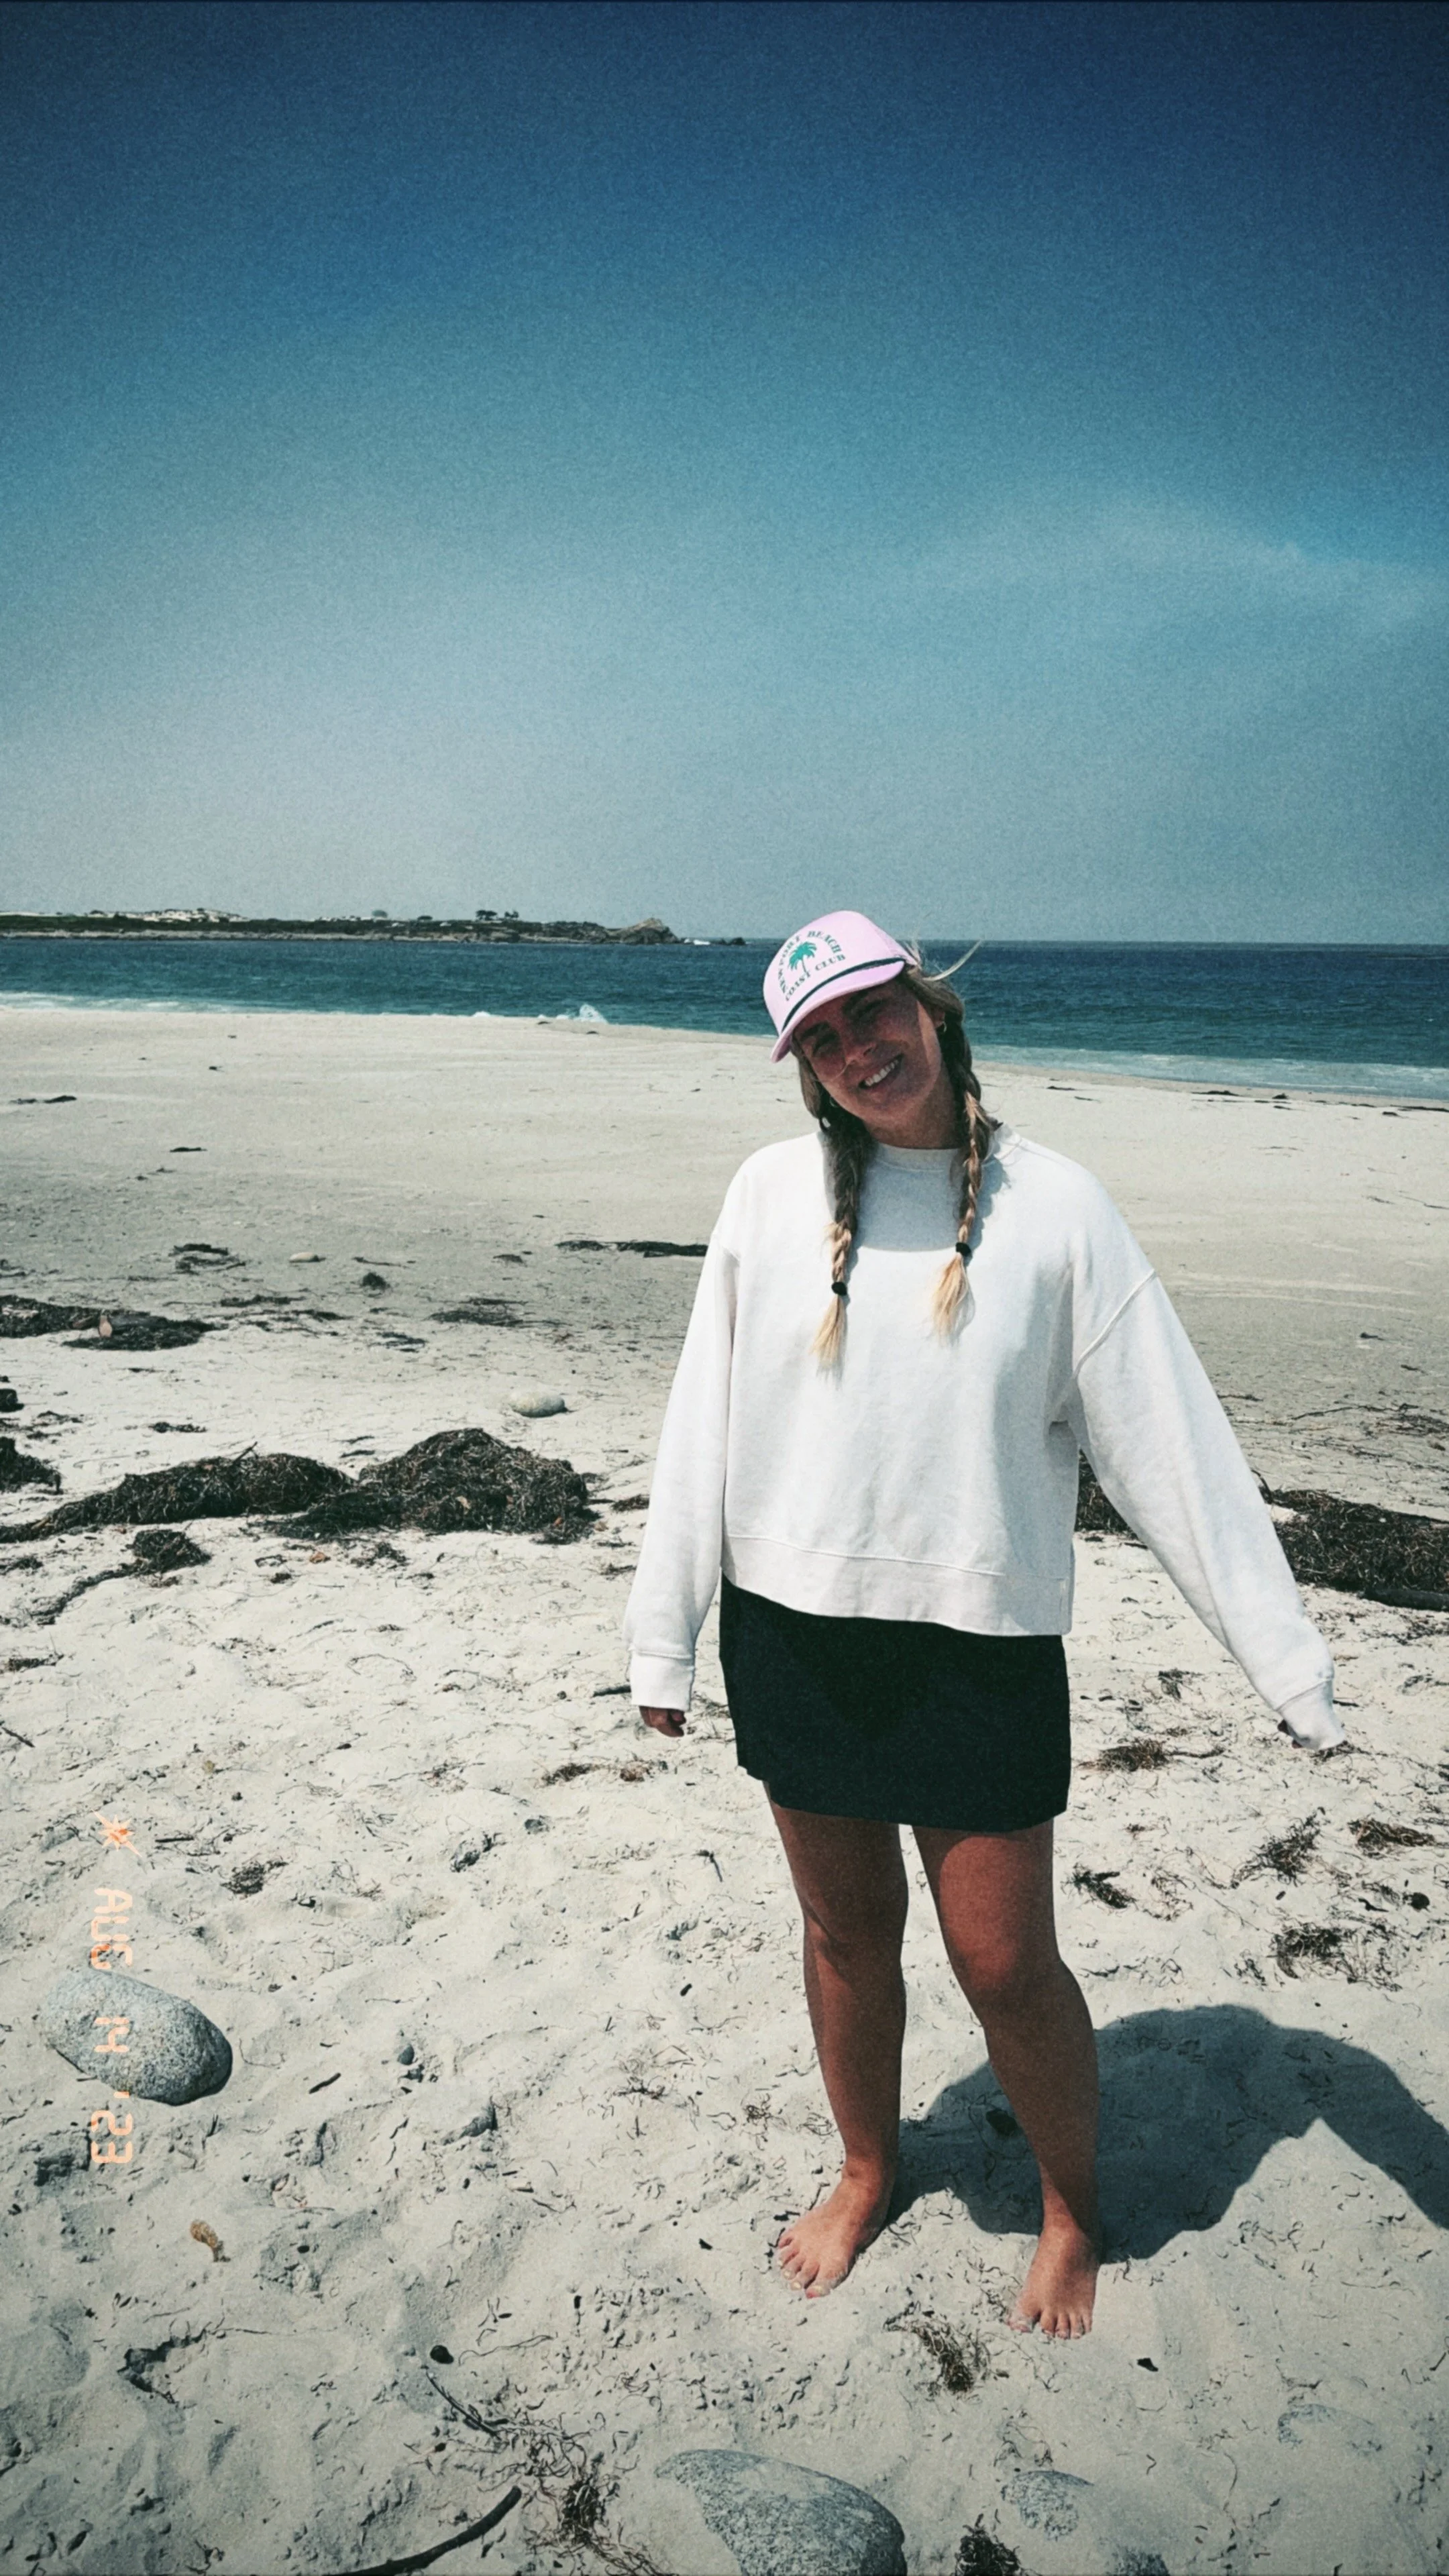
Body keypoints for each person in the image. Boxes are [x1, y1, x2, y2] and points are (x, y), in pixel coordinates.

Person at [623, 910, 1341, 2336]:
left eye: (873, 1013)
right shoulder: (770, 1198)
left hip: (979, 1648)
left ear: (931, 1008)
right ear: (804, 1068)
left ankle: (1072, 2211)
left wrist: (1290, 1665)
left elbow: (1170, 1447)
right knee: (843, 1933)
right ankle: (870, 2164)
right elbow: (698, 1420)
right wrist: (667, 1633)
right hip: (796, 1633)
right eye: (821, 1041)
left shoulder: (1059, 1209)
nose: (857, 1051)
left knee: (1005, 1963)